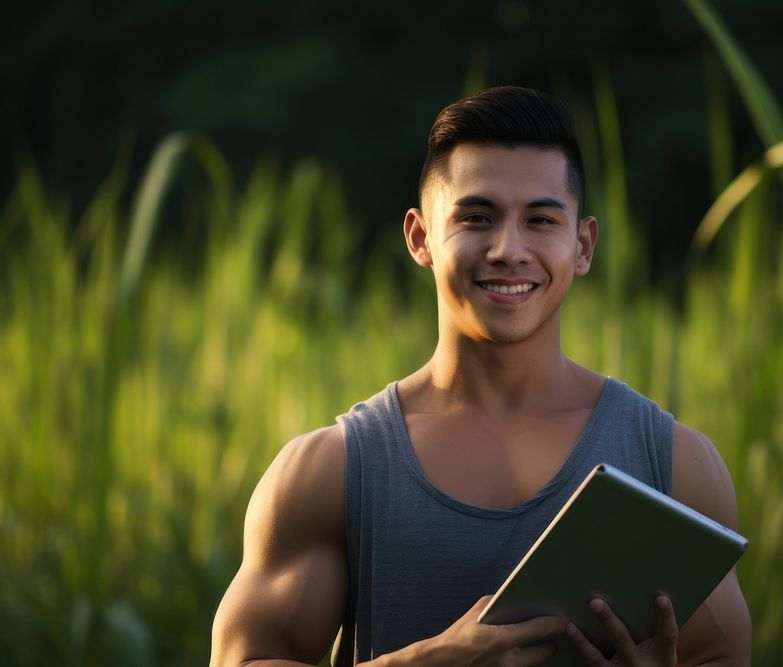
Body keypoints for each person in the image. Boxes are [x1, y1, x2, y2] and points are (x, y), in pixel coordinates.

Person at [210, 85, 751, 666]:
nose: (508, 249)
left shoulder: (674, 465)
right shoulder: (330, 473)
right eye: (477, 217)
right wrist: (424, 663)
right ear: (420, 238)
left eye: (541, 220)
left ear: (584, 244)